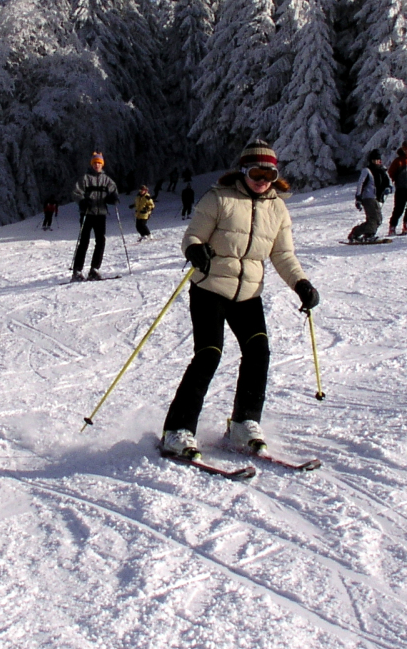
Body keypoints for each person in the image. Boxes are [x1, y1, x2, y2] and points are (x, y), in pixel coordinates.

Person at [160, 140, 319, 462]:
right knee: (209, 354)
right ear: (243, 171)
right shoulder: (219, 198)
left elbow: (282, 254)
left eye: (269, 174)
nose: (262, 180)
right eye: (256, 172)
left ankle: (244, 422)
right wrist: (194, 250)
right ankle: (176, 430)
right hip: (210, 289)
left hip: (248, 294)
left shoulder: (277, 208)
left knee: (258, 352)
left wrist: (300, 283)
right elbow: (193, 236)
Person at [70, 151, 118, 279]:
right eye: (95, 163)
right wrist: (82, 201)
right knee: (84, 242)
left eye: (99, 163)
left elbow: (113, 191)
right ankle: (77, 271)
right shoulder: (85, 178)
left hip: (100, 214)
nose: (97, 165)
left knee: (100, 241)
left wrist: (113, 198)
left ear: (102, 165)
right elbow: (76, 192)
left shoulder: (107, 180)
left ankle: (94, 269)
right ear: (92, 164)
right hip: (87, 213)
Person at [348, 148, 386, 242]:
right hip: (368, 198)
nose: (376, 162)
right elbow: (360, 184)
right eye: (374, 160)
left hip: (377, 198)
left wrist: (388, 189)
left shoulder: (382, 171)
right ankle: (369, 235)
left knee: (378, 219)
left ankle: (355, 233)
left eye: (378, 160)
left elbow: (387, 183)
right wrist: (358, 198)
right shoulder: (367, 171)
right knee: (374, 218)